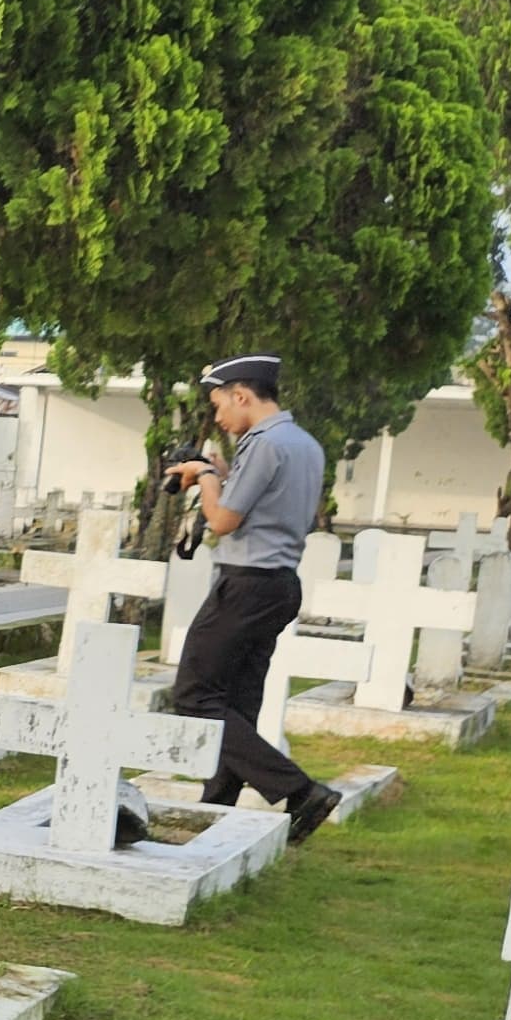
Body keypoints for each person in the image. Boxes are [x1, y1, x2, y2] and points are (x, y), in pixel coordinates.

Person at [161, 351, 343, 841]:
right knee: (237, 703)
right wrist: (220, 472)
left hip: (245, 584)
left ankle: (300, 791)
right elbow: (267, 505)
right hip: (280, 583)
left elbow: (223, 520)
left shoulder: (263, 444)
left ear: (241, 396)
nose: (219, 417)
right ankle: (217, 806)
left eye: (220, 405)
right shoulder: (304, 444)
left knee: (195, 696)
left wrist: (204, 478)